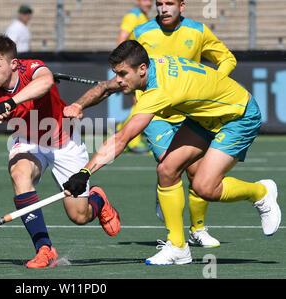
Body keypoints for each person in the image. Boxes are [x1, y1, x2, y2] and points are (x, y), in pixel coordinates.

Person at [63, 40, 281, 265]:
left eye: (122, 74)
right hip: (205, 117)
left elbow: (122, 139)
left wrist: (85, 173)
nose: (118, 79)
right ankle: (177, 246)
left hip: (238, 115)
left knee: (205, 187)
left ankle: (261, 193)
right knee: (167, 170)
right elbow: (107, 87)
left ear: (142, 69)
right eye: (116, 73)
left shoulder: (158, 91)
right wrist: (79, 105)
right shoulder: (150, 66)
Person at [66, 0, 237, 249]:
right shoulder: (143, 32)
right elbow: (123, 70)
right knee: (170, 168)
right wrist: (82, 104)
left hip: (191, 112)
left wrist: (214, 84)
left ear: (183, 5)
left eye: (170, 3)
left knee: (196, 173)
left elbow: (227, 59)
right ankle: (175, 240)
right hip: (155, 114)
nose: (163, 9)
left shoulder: (199, 32)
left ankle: (198, 229)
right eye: (159, 3)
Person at [0, 34, 120, 269]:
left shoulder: (32, 68)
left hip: (64, 142)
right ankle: (45, 249)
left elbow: (45, 82)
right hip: (27, 140)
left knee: (79, 216)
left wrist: (11, 102)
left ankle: (98, 199)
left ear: (13, 64)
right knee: (19, 173)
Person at [115, 0, 153, 154]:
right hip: (133, 68)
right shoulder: (133, 16)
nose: (149, 3)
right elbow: (121, 40)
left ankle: (120, 131)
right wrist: (123, 67)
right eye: (145, 0)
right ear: (137, 1)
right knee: (142, 102)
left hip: (140, 66)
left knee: (139, 102)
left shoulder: (143, 17)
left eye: (151, 0)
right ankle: (132, 140)